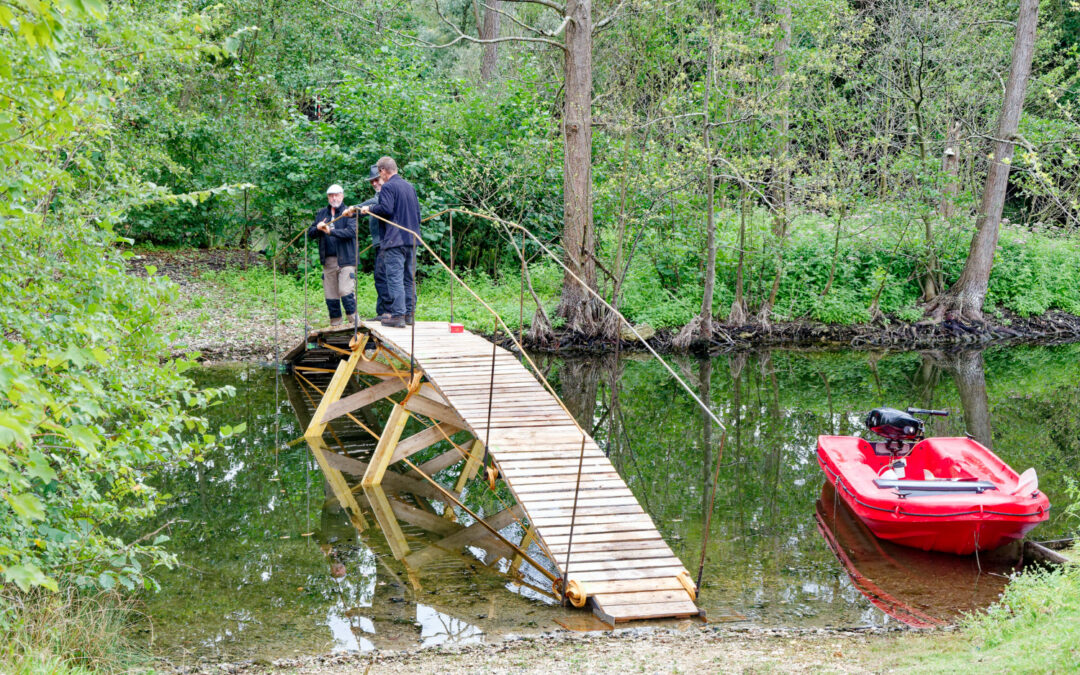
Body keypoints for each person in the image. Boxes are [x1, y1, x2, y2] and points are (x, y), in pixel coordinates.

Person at [361, 156, 421, 328]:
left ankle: (398, 315)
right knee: (409, 278)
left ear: (382, 171)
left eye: (379, 173)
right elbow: (418, 215)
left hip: (395, 241)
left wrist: (369, 208)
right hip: (412, 239)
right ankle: (409, 314)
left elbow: (386, 209)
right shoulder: (409, 187)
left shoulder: (388, 186)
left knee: (394, 278)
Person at [307, 183, 358, 327]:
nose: (334, 198)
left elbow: (351, 232)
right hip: (328, 260)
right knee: (331, 296)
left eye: (337, 195)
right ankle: (336, 326)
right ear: (328, 198)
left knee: (345, 291)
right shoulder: (322, 213)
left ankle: (355, 325)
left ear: (342, 196)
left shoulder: (349, 212)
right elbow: (310, 233)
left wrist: (331, 231)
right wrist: (317, 228)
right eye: (331, 196)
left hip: (346, 259)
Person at [351, 165, 390, 320]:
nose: (374, 183)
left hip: (387, 241)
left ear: (384, 176)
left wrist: (356, 208)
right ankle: (383, 311)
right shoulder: (379, 195)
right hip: (380, 243)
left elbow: (376, 203)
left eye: (377, 179)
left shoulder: (386, 194)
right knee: (381, 276)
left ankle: (387, 312)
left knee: (383, 276)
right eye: (372, 181)